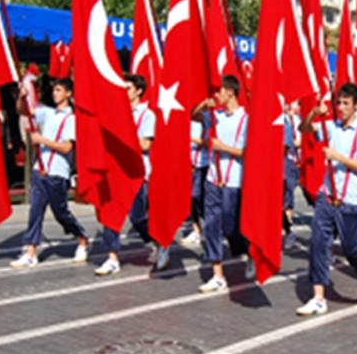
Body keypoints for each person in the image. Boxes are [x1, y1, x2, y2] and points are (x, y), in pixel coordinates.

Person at [295, 82, 357, 315]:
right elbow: (305, 129)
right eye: (338, 103)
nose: (340, 107)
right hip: (326, 197)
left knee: (351, 250)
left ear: (355, 106)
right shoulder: (331, 127)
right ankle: (319, 298)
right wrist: (314, 113)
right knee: (318, 246)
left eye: (345, 103)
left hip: (349, 201)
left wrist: (337, 156)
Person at [94, 74, 170, 276]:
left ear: (138, 91)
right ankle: (112, 258)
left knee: (138, 217)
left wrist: (122, 138)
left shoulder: (147, 115)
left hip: (137, 173)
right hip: (115, 171)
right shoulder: (116, 113)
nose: (124, 91)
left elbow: (146, 144)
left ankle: (160, 241)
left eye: (128, 88)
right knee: (110, 215)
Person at [11, 78, 89, 268]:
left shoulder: (72, 118)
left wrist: (42, 140)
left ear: (68, 94)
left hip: (58, 172)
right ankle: (31, 251)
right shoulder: (48, 113)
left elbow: (66, 147)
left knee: (60, 212)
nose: (54, 93)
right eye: (54, 90)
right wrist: (22, 98)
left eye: (59, 90)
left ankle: (81, 238)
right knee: (35, 211)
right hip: (41, 169)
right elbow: (23, 112)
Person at [195, 75, 254, 293]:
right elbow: (193, 116)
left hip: (234, 182)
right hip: (213, 179)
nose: (216, 95)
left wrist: (223, 148)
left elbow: (248, 153)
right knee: (211, 225)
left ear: (230, 92)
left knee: (232, 227)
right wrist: (204, 105)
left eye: (219, 91)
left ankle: (249, 253)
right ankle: (217, 274)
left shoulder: (246, 119)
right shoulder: (215, 115)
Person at [183, 111, 210, 247]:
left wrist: (193, 139)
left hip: (203, 164)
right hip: (188, 164)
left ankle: (210, 226)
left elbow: (211, 143)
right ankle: (196, 229)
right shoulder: (188, 122)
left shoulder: (208, 121)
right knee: (190, 198)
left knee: (197, 196)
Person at [282, 103, 300, 250]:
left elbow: (285, 146)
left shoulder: (285, 122)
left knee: (285, 201)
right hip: (274, 165)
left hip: (287, 163)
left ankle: (288, 231)